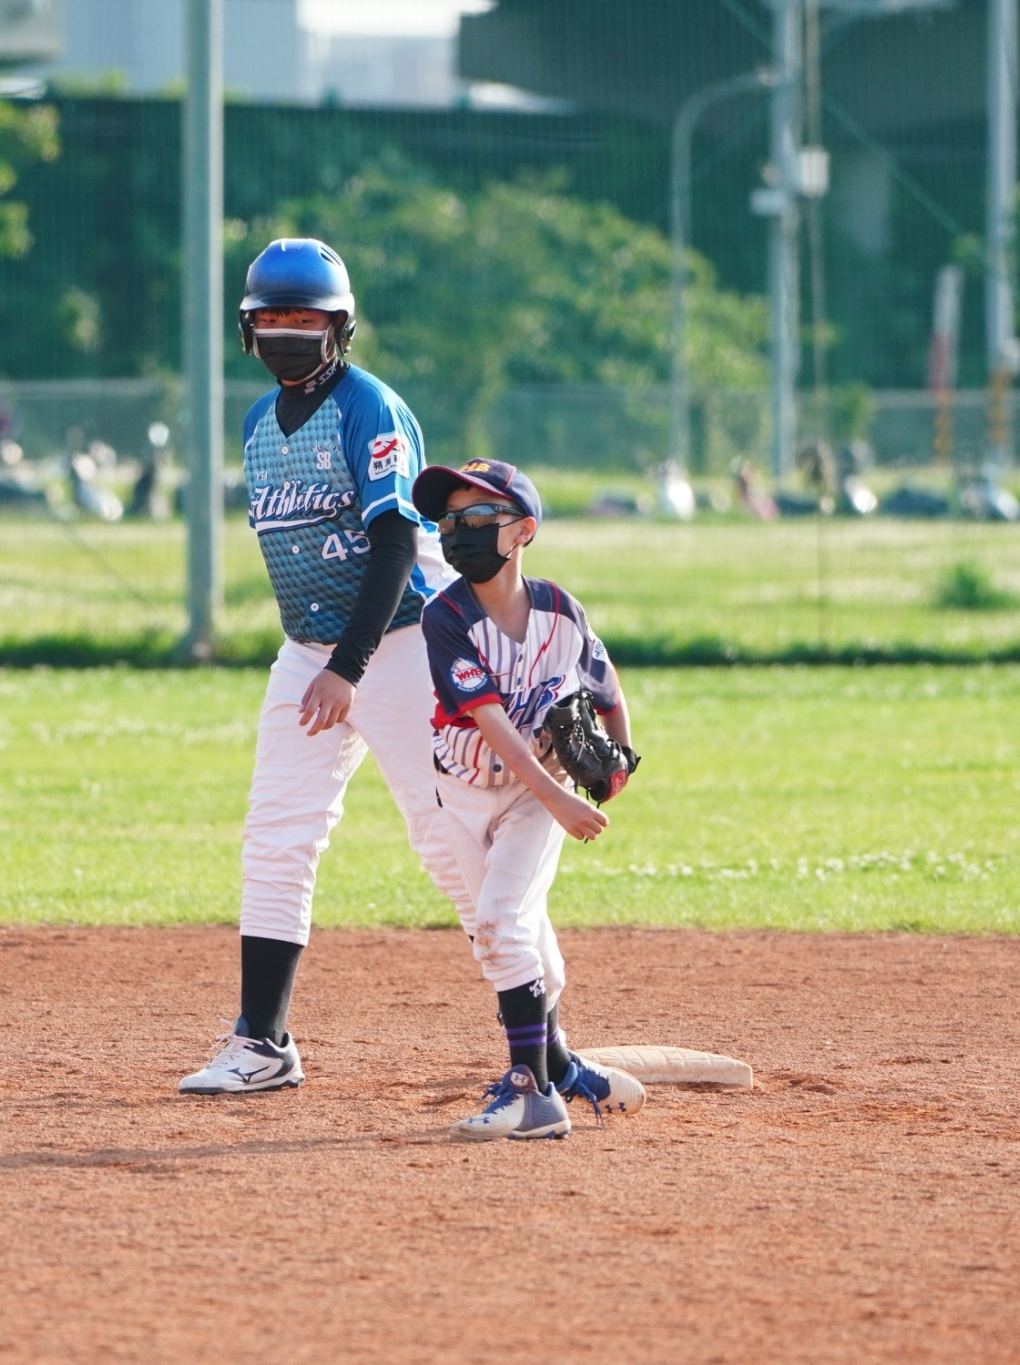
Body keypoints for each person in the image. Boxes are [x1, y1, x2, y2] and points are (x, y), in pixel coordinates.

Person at [179, 238, 473, 1095]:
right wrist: (330, 661)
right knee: (277, 834)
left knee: (446, 835)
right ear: (248, 328)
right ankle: (262, 1043)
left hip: (403, 642)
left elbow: (397, 543)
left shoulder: (368, 406)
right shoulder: (257, 423)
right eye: (270, 316)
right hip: (309, 652)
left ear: (339, 326)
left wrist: (349, 665)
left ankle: (540, 1037)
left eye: (304, 318)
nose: (286, 330)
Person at [411, 457, 647, 1140]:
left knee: (498, 926)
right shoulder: (445, 617)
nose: (458, 530)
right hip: (462, 792)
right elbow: (494, 727)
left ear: (523, 530)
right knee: (522, 943)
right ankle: (560, 1067)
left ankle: (531, 1094)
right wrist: (562, 799)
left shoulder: (560, 611)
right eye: (449, 519)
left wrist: (620, 760)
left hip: (534, 798)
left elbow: (606, 687)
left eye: (478, 515)